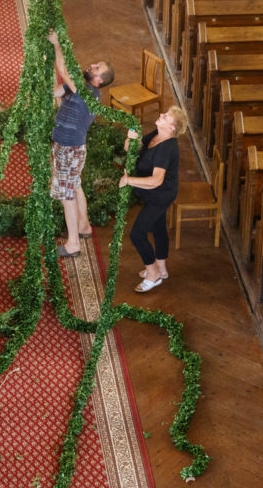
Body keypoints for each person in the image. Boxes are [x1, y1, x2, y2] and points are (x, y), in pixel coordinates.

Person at [45, 29, 114, 258]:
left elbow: (63, 72)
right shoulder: (78, 87)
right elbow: (56, 91)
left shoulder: (89, 91)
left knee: (66, 195)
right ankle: (84, 227)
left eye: (97, 68)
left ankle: (73, 244)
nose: (92, 65)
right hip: (66, 147)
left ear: (99, 80)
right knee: (74, 186)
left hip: (69, 149)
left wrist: (57, 44)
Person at [119, 106, 189, 293]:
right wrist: (130, 139)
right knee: (158, 228)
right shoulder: (156, 135)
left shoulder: (167, 147)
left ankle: (153, 274)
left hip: (160, 195)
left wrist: (128, 180)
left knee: (137, 234)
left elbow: (157, 180)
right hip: (151, 194)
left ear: (172, 128)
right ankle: (162, 269)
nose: (161, 115)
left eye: (166, 116)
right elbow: (130, 149)